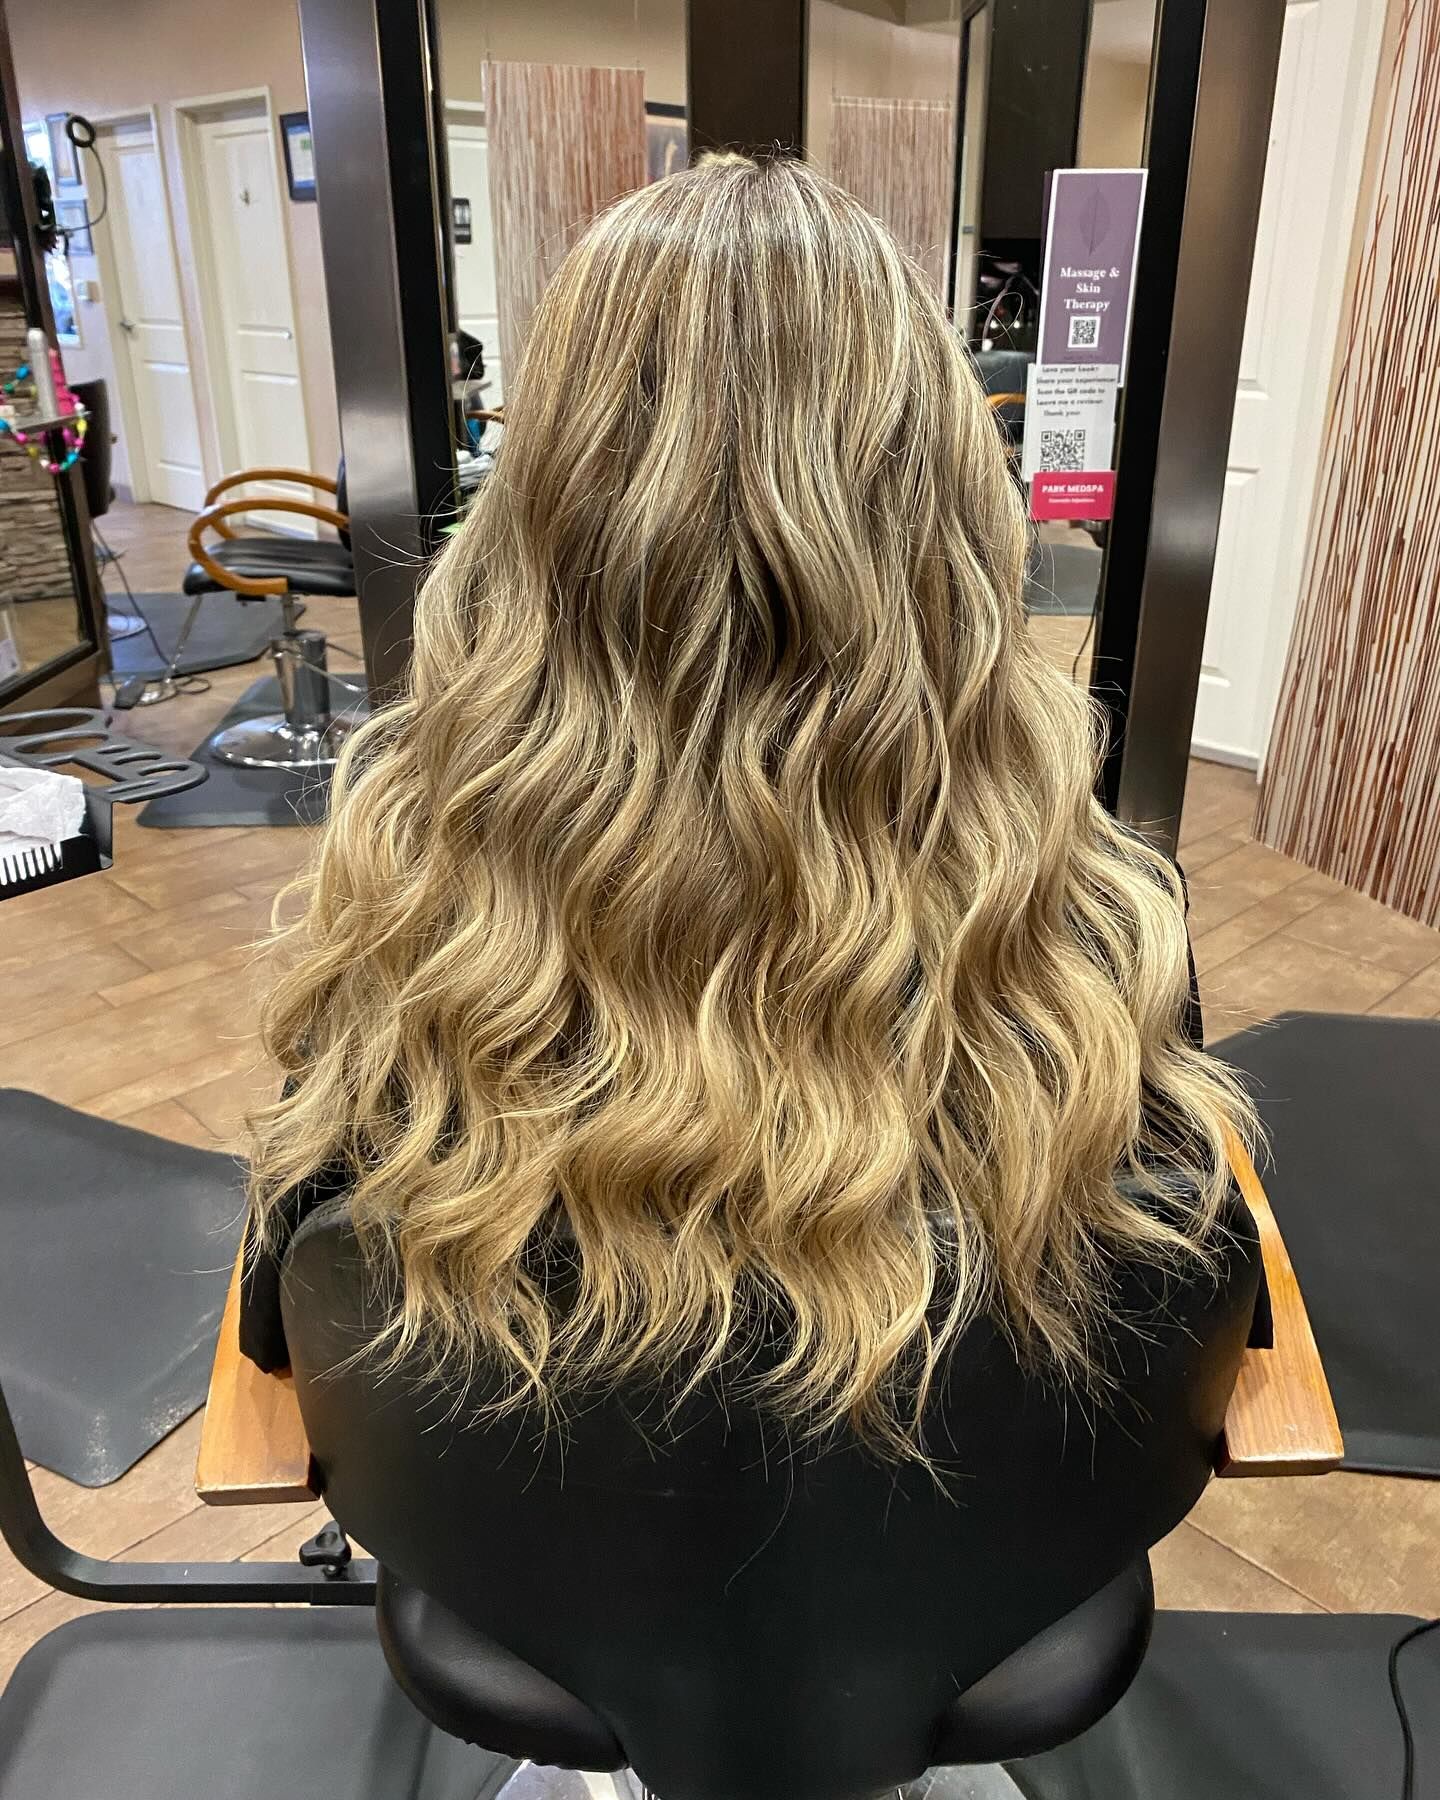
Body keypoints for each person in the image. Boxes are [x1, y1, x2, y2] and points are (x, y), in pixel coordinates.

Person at [242, 154, 1261, 1469]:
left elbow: (289, 1318)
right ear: (945, 501)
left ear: (546, 500)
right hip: (967, 1571)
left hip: (549, 1565)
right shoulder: (1102, 917)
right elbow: (1184, 1300)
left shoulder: (401, 881)